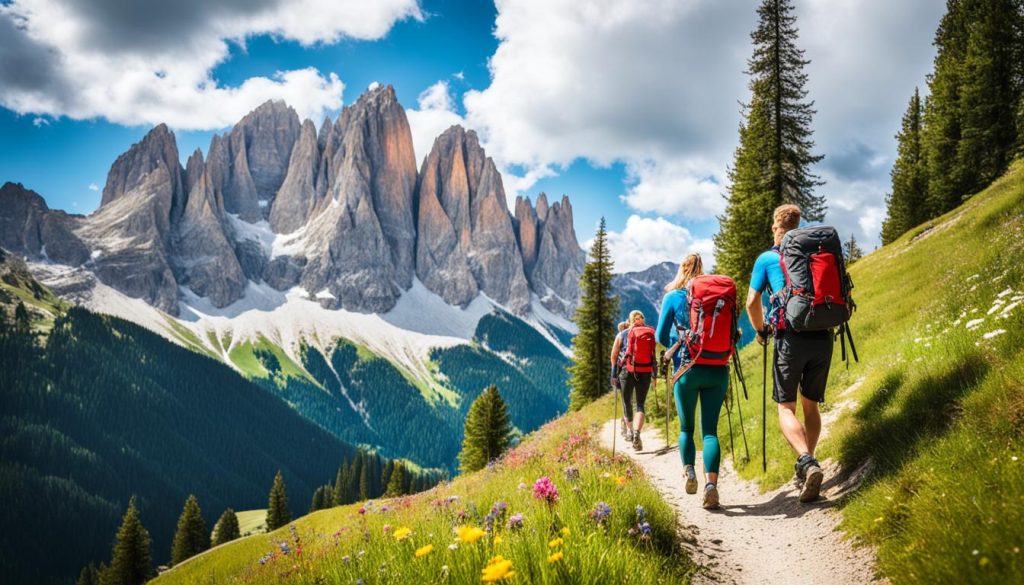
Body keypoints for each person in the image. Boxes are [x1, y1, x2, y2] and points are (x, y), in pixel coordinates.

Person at [745, 204, 829, 503]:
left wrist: (761, 329)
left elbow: (753, 301)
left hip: (790, 338)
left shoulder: (768, 258)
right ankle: (809, 462)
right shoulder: (813, 253)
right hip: (822, 334)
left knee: (785, 407)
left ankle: (806, 461)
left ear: (774, 227)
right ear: (798, 225)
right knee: (812, 406)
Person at [655, 253, 729, 509]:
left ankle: (689, 471)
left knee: (686, 428)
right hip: (718, 369)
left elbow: (662, 336)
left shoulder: (673, 297)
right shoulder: (717, 295)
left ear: (681, 270)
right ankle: (711, 486)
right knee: (710, 431)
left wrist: (678, 340)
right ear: (702, 270)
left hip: (687, 370)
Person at [620, 310, 657, 451]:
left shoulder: (623, 333)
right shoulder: (650, 332)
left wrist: (615, 372)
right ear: (643, 319)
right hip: (646, 371)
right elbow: (653, 356)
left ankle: (630, 432)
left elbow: (616, 354)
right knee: (640, 405)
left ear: (629, 320)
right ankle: (637, 433)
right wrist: (654, 374)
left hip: (628, 370)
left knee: (627, 402)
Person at [610, 320, 631, 440]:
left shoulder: (620, 336)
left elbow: (613, 358)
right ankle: (629, 426)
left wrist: (613, 375)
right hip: (641, 372)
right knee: (633, 401)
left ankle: (627, 428)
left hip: (623, 372)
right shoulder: (635, 334)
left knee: (625, 401)